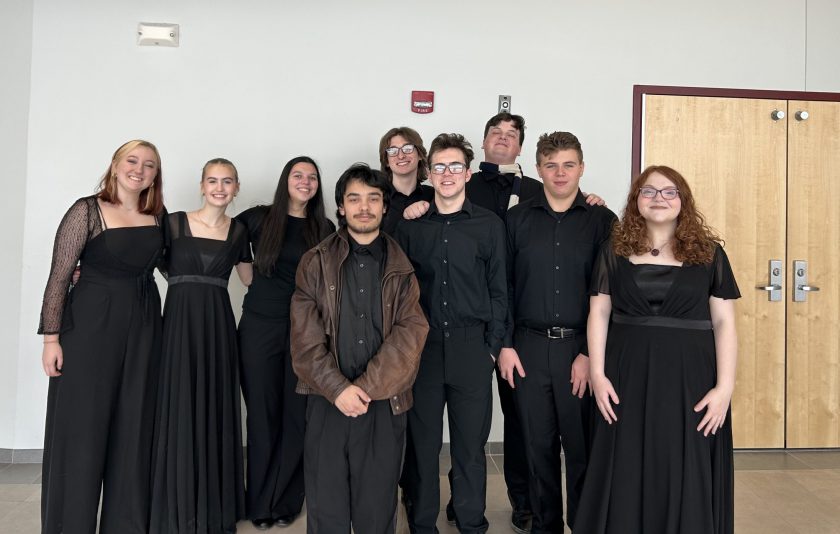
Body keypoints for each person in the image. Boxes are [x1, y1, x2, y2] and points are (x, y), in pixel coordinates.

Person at [575, 165, 738, 534]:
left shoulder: (710, 254)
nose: (659, 198)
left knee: (683, 461)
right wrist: (598, 375)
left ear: (683, 201)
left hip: (691, 380)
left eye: (669, 192)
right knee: (626, 459)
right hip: (624, 374)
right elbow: (598, 313)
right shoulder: (613, 250)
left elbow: (725, 322)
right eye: (648, 192)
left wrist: (724, 388)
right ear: (636, 201)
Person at [290, 163, 429, 533]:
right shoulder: (314, 262)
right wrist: (338, 390)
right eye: (354, 199)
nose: (364, 207)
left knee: (377, 506)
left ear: (385, 207)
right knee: (327, 507)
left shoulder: (403, 267)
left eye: (373, 198)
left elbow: (411, 334)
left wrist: (362, 390)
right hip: (326, 402)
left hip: (384, 404)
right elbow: (304, 340)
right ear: (340, 207)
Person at [39, 139, 166, 534]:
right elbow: (60, 275)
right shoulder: (87, 210)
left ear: (155, 175)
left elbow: (175, 264)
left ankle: (126, 525)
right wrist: (51, 339)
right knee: (82, 430)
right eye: (132, 160)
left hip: (145, 328)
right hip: (90, 329)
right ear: (114, 165)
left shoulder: (158, 216)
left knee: (134, 427)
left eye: (149, 165)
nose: (139, 169)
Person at [500, 132, 616, 533]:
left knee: (581, 449)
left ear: (582, 168)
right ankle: (544, 526)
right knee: (537, 447)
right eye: (551, 165)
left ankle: (584, 524)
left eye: (568, 164)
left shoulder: (603, 221)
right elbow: (505, 287)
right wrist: (505, 345)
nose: (560, 172)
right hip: (528, 348)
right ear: (538, 170)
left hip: (580, 351)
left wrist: (588, 354)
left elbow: (608, 292)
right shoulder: (516, 219)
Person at [395, 133, 508, 534]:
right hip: (422, 351)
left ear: (469, 172)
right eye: (439, 166)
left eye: (455, 166)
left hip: (471, 348)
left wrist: (492, 349)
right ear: (429, 172)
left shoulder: (488, 226)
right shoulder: (411, 226)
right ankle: (422, 524)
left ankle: (471, 523)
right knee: (423, 447)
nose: (447, 174)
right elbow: (397, 292)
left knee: (469, 449)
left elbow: (499, 290)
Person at [149, 158, 252, 533]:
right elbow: (145, 263)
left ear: (237, 187)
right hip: (177, 322)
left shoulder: (239, 231)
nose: (220, 188)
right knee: (178, 401)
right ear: (201, 184)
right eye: (213, 180)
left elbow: (252, 280)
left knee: (214, 402)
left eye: (227, 182)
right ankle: (175, 500)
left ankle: (213, 502)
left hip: (218, 325)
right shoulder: (172, 223)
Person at [235, 156, 335, 530]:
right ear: (285, 180)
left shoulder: (323, 227)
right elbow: (217, 237)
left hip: (305, 332)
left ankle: (287, 501)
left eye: (312, 177)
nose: (305, 182)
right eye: (298, 175)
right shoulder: (257, 218)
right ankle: (260, 502)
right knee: (262, 416)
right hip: (259, 328)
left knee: (297, 418)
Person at [378, 126, 434, 235]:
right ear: (386, 161)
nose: (401, 156)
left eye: (407, 148)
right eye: (393, 151)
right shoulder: (375, 199)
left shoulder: (434, 196)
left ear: (420, 155)